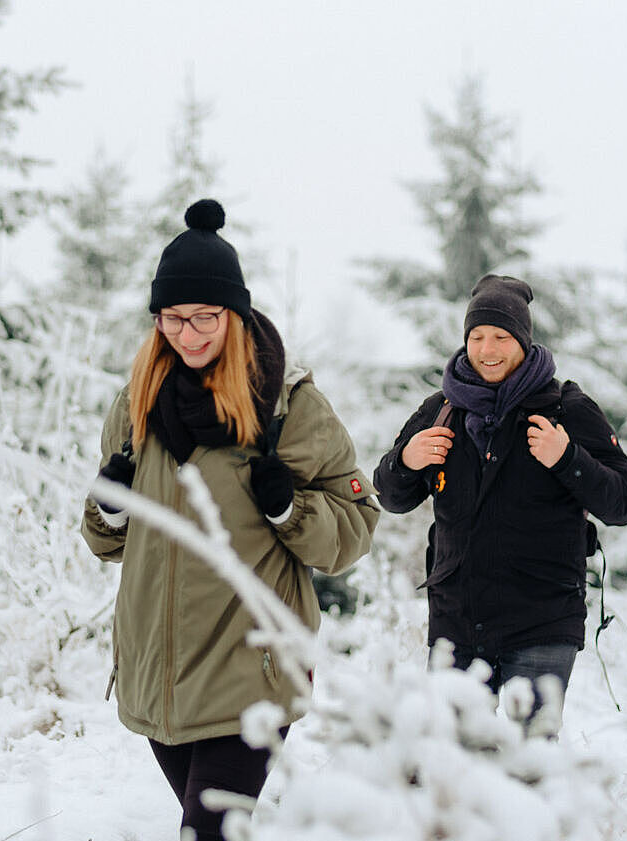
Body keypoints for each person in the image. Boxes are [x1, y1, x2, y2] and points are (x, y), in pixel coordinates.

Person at [82, 199, 379, 840]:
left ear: (234, 315)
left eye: (204, 319)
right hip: (159, 670)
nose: (187, 336)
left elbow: (357, 523)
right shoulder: (135, 406)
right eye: (171, 320)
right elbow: (109, 543)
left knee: (207, 833)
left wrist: (288, 510)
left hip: (253, 668)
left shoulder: (287, 406)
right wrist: (108, 508)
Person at [372, 275, 627, 735]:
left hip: (541, 620)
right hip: (457, 621)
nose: (487, 348)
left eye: (500, 336)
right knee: (452, 765)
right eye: (476, 337)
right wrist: (405, 460)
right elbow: (391, 497)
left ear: (523, 340)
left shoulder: (565, 409)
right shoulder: (440, 410)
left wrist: (568, 459)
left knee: (530, 766)